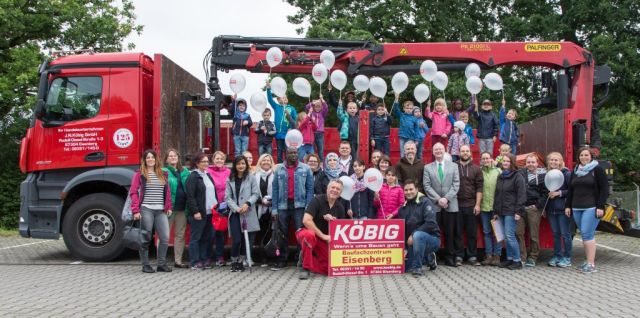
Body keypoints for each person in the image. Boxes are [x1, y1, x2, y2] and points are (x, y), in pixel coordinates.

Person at [565, 147, 609, 274]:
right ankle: (588, 261)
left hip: (591, 207)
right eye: (581, 155)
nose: (584, 157)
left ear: (591, 156)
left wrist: (600, 206)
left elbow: (604, 189)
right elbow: (571, 190)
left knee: (587, 234)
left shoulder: (597, 169)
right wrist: (568, 205)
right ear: (578, 157)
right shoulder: (576, 170)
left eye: (586, 155)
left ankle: (591, 264)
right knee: (585, 235)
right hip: (576, 207)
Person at [271, 147, 315, 270]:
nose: (294, 155)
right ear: (285, 154)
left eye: (295, 153)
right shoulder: (279, 169)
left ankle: (299, 259)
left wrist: (308, 206)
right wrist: (274, 209)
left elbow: (310, 189)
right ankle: (282, 259)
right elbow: (275, 189)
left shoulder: (305, 168)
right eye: (291, 153)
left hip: (300, 206)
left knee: (300, 233)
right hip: (282, 206)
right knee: (282, 234)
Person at [129, 150, 173, 273]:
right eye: (147, 157)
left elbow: (167, 192)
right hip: (146, 209)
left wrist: (168, 207)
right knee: (146, 237)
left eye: (152, 157)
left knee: (165, 238)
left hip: (161, 210)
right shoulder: (139, 174)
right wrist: (135, 210)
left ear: (156, 159)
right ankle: (145, 265)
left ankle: (161, 264)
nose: (150, 159)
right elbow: (133, 192)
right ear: (144, 160)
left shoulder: (163, 174)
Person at [297, 179, 347, 279]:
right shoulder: (317, 200)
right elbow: (306, 221)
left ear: (340, 193)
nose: (335, 190)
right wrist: (323, 236)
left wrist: (334, 222)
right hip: (306, 233)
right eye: (332, 187)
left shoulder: (340, 207)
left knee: (330, 268)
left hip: (323, 239)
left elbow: (339, 231)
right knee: (309, 235)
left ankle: (306, 258)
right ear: (327, 188)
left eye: (338, 189)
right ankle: (304, 267)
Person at [423, 142, 461, 267]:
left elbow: (456, 184)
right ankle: (434, 257)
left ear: (444, 151)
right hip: (435, 205)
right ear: (433, 152)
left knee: (450, 232)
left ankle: (450, 257)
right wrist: (438, 199)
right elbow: (427, 186)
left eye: (440, 149)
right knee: (435, 232)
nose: (438, 151)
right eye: (436, 149)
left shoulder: (454, 166)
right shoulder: (428, 167)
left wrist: (446, 199)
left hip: (450, 204)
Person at [395, 179, 440, 276]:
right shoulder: (402, 209)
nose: (408, 192)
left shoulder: (425, 202)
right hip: (412, 243)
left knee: (418, 235)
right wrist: (404, 249)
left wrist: (413, 234)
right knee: (404, 268)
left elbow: (431, 223)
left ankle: (417, 268)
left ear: (417, 189)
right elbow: (402, 231)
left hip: (432, 239)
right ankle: (429, 257)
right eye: (406, 190)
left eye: (411, 189)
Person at [225, 156, 261, 272]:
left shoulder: (251, 178)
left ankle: (241, 261)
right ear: (235, 166)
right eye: (239, 164)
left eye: (243, 164)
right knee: (237, 239)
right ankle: (234, 260)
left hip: (248, 212)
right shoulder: (229, 179)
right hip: (236, 213)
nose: (241, 166)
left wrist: (247, 203)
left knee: (246, 240)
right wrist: (236, 208)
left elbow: (256, 194)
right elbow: (227, 197)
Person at [494, 153, 526, 270]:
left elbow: (521, 195)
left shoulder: (518, 176)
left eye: (508, 161)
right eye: (504, 161)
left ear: (512, 163)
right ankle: (510, 258)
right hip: (501, 211)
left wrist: (518, 211)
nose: (505, 163)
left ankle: (517, 261)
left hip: (511, 211)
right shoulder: (501, 175)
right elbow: (497, 194)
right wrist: (496, 211)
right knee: (505, 237)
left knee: (510, 235)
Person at [185, 152, 217, 270]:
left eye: (207, 161)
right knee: (196, 238)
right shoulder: (193, 176)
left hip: (210, 212)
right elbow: (190, 197)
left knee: (206, 237)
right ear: (197, 163)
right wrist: (195, 212)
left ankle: (203, 260)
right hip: (199, 213)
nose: (206, 164)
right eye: (203, 161)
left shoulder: (207, 175)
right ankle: (195, 261)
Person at [162, 148, 190, 268]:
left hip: (182, 208)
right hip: (169, 208)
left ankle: (178, 261)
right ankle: (161, 261)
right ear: (166, 159)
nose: (173, 158)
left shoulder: (185, 171)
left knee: (180, 235)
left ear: (178, 158)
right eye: (170, 156)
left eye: (175, 156)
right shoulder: (163, 171)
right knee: (164, 235)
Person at [518, 154, 547, 267]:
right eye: (528, 162)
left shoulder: (543, 176)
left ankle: (533, 257)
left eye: (533, 162)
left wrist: (538, 205)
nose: (530, 164)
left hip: (533, 209)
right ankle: (522, 257)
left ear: (537, 163)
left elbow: (545, 193)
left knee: (533, 235)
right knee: (518, 233)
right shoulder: (521, 173)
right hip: (521, 208)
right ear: (526, 163)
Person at [456, 145, 483, 266]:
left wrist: (477, 205)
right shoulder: (453, 167)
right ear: (459, 153)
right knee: (458, 232)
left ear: (470, 153)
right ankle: (459, 256)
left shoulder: (477, 169)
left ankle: (472, 256)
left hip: (472, 204)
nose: (465, 153)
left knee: (472, 232)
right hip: (456, 205)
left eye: (467, 151)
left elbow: (479, 188)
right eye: (463, 151)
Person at [545, 152, 573, 268]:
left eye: (556, 160)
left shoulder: (566, 174)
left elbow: (572, 190)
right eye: (551, 160)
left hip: (562, 209)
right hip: (552, 210)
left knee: (565, 234)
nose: (553, 162)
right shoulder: (548, 174)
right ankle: (557, 256)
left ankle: (567, 258)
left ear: (561, 161)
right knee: (556, 234)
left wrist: (559, 193)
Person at [207, 151, 230, 267]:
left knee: (220, 233)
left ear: (224, 160)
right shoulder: (208, 172)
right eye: (217, 159)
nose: (219, 161)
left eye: (221, 159)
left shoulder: (228, 172)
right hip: (211, 207)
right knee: (210, 233)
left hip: (224, 206)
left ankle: (220, 257)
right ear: (213, 160)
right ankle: (208, 257)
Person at [479, 152, 502, 266]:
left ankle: (497, 256)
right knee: (487, 232)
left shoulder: (498, 171)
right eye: (484, 158)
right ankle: (488, 255)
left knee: (497, 232)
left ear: (491, 159)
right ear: (481, 160)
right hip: (484, 208)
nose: (486, 160)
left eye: (487, 158)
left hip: (495, 207)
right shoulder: (479, 172)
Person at [266, 82, 297, 162]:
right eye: (280, 98)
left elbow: (295, 120)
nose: (283, 99)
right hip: (279, 134)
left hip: (288, 134)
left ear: (287, 99)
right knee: (279, 150)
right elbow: (270, 99)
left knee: (287, 150)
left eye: (284, 97)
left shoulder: (292, 108)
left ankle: (288, 163)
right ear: (278, 100)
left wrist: (291, 128)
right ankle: (280, 164)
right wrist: (268, 89)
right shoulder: (276, 107)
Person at [254, 154, 275, 266]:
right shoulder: (254, 175)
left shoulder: (276, 175)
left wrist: (271, 201)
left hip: (272, 209)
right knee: (261, 233)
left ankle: (272, 256)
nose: (266, 162)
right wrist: (261, 201)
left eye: (268, 160)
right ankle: (263, 257)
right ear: (260, 162)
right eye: (264, 160)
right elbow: (252, 193)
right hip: (259, 209)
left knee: (271, 233)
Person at [391, 92, 419, 157]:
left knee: (410, 153)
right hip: (402, 137)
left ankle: (410, 165)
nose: (409, 110)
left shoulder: (414, 118)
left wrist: (416, 139)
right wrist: (396, 100)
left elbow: (417, 129)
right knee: (402, 153)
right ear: (404, 109)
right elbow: (396, 110)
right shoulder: (401, 115)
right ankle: (402, 166)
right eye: (407, 108)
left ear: (413, 109)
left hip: (411, 138)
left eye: (410, 108)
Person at [305, 94, 328, 160]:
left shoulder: (322, 114)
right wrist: (313, 103)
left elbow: (326, 107)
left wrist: (322, 99)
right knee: (313, 150)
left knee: (320, 150)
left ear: (321, 108)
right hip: (312, 132)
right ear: (314, 107)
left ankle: (321, 163)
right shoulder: (312, 113)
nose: (317, 108)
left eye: (319, 107)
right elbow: (307, 107)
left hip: (320, 133)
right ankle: (313, 162)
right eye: (316, 107)